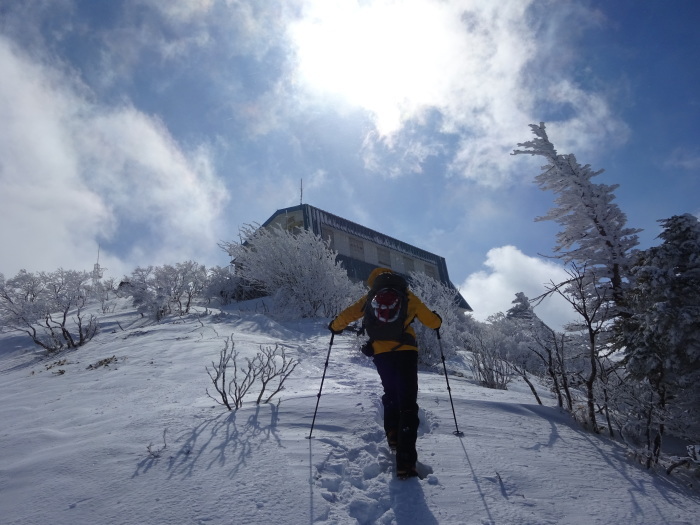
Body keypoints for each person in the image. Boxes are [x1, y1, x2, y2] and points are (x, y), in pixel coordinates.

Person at [328, 267, 442, 479]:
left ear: (373, 282)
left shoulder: (371, 297)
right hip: (407, 353)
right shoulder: (408, 296)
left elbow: (348, 314)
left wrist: (335, 326)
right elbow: (431, 322)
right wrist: (438, 320)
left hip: (382, 355)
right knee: (408, 403)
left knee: (390, 393)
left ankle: (392, 435)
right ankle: (406, 463)